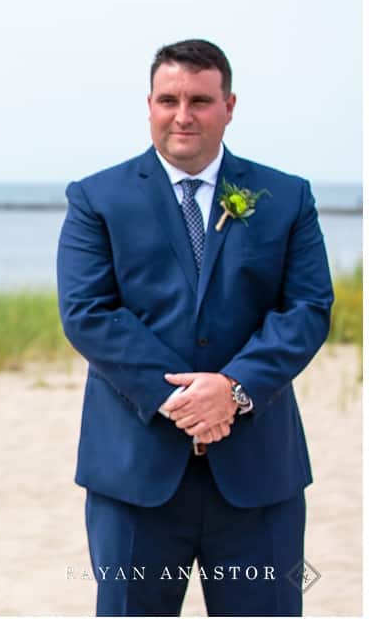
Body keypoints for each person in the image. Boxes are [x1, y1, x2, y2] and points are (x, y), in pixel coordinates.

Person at [57, 39, 333, 616]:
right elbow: (88, 311)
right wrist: (181, 398)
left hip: (257, 471)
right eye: (169, 99)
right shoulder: (96, 197)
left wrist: (231, 391)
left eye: (200, 100)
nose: (183, 115)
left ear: (229, 105)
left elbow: (307, 309)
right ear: (150, 105)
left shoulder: (286, 197)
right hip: (135, 473)